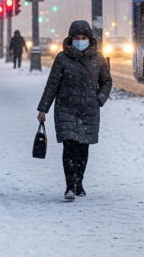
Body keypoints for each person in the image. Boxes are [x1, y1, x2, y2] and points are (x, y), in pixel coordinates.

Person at [37, 20, 112, 201]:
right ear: (70, 39)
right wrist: (43, 109)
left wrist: (99, 99)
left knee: (83, 147)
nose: (80, 41)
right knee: (70, 146)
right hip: (66, 108)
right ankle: (70, 186)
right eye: (76, 38)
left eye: (83, 37)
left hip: (88, 110)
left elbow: (106, 82)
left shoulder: (99, 59)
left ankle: (79, 182)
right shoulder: (62, 58)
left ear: (90, 39)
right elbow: (52, 85)